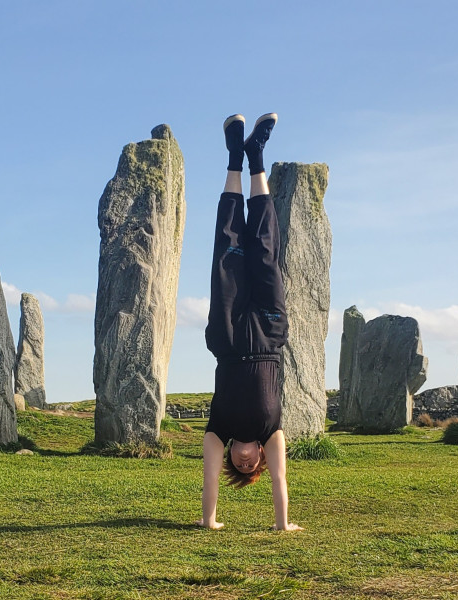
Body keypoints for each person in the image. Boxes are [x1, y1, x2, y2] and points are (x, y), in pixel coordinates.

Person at [196, 113, 303, 531]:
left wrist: (210, 521)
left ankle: (233, 156)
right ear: (259, 457)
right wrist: (282, 525)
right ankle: (256, 155)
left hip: (227, 336)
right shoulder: (272, 432)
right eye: (250, 466)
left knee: (228, 246)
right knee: (264, 249)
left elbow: (208, 480)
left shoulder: (217, 432)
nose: (243, 462)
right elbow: (281, 480)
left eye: (237, 467)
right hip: (270, 333)